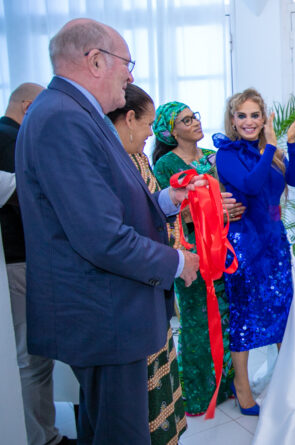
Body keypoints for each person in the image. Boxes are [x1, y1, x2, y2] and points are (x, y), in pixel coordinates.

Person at [15, 18, 203, 444]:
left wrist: (164, 202)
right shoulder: (63, 119)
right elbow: (102, 237)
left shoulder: (74, 113)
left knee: (103, 428)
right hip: (104, 314)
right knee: (122, 434)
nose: (130, 77)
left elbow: (109, 203)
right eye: (126, 63)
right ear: (96, 61)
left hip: (106, 312)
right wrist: (177, 261)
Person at [213, 88, 295, 414]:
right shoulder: (226, 154)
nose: (249, 122)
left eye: (255, 115)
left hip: (274, 243)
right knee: (245, 318)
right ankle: (242, 388)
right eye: (242, 116)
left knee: (282, 312)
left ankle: (288, 382)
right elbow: (250, 186)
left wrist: (289, 142)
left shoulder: (270, 151)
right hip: (245, 246)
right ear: (233, 120)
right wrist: (272, 147)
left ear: (264, 118)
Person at [106, 84, 186, 444]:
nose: (151, 133)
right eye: (148, 124)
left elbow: (150, 206)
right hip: (133, 285)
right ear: (128, 118)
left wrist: (171, 198)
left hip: (153, 283)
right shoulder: (109, 161)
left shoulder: (137, 159)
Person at [151, 101, 238, 416]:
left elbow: (228, 196)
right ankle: (199, 393)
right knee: (196, 321)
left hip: (221, 246)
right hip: (190, 252)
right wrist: (211, 206)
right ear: (171, 132)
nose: (195, 123)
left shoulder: (213, 156)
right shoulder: (165, 165)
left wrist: (231, 207)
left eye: (194, 116)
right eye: (186, 120)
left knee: (225, 317)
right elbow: (169, 211)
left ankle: (227, 385)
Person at [2, 82, 75, 445]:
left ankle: (43, 432)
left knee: (35, 356)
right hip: (20, 260)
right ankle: (42, 437)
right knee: (32, 357)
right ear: (30, 107)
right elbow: (25, 195)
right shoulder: (10, 139)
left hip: (23, 259)